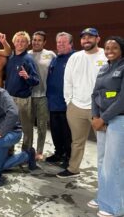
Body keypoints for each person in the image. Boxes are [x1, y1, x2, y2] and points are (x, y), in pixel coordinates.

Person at [57, 28, 107, 178]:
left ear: (98, 38)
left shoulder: (106, 55)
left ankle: (105, 176)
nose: (86, 40)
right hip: (76, 107)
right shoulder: (75, 57)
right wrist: (69, 102)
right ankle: (73, 169)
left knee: (104, 145)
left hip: (99, 109)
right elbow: (68, 80)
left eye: (90, 37)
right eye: (84, 38)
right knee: (77, 142)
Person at [89, 36, 124, 217]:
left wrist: (103, 118)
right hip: (101, 119)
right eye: (107, 47)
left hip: (118, 119)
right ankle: (103, 197)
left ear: (121, 50)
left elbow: (122, 99)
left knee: (114, 164)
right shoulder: (104, 68)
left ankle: (114, 206)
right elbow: (95, 93)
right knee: (102, 161)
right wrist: (95, 116)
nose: (110, 50)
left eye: (115, 48)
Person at [4, 31, 39, 151]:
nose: (20, 43)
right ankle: (9, 151)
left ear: (27, 44)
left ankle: (27, 153)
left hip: (23, 100)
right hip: (9, 99)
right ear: (14, 42)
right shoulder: (10, 57)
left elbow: (35, 81)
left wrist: (27, 77)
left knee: (26, 128)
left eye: (23, 41)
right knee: (10, 126)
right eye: (17, 41)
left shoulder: (28, 59)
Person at [46, 32, 74, 168]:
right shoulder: (55, 59)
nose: (60, 45)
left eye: (63, 42)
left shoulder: (75, 58)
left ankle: (69, 157)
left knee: (67, 133)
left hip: (67, 104)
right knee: (55, 131)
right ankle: (59, 153)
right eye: (58, 42)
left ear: (70, 44)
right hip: (53, 102)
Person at [28, 31, 56, 160]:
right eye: (34, 39)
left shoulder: (50, 55)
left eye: (39, 40)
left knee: (42, 126)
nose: (36, 42)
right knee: (28, 126)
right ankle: (28, 150)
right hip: (28, 96)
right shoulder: (27, 54)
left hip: (43, 96)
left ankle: (39, 151)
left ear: (44, 42)